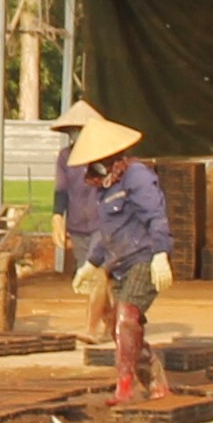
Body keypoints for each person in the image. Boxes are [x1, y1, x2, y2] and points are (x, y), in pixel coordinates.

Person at [61, 115, 171, 403]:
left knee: (126, 316)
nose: (92, 172)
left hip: (144, 258)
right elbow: (106, 231)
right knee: (118, 327)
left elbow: (155, 216)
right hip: (121, 263)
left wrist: (161, 253)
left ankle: (124, 386)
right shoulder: (105, 188)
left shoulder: (137, 177)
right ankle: (157, 383)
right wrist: (90, 263)